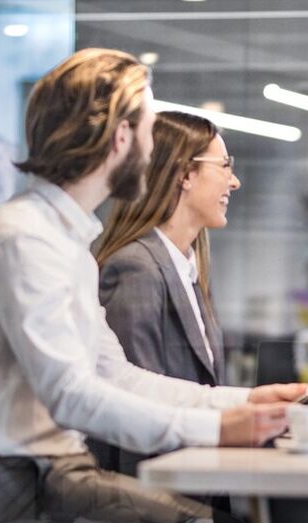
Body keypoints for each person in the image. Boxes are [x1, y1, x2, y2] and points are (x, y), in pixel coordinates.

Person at [0, 48, 308, 523]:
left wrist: (243, 402)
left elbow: (116, 374)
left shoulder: (62, 238)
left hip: (48, 483)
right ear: (119, 137)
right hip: (6, 496)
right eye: (146, 127)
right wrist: (217, 428)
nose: (152, 146)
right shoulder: (24, 238)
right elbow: (71, 396)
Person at [87, 111, 237, 476]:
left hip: (191, 481)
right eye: (224, 166)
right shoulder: (136, 269)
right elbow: (136, 410)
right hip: (156, 488)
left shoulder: (187, 270)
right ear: (185, 174)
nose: (234, 181)